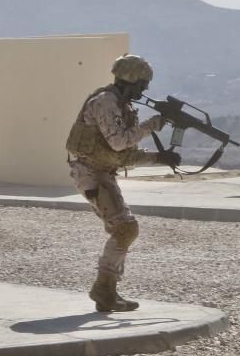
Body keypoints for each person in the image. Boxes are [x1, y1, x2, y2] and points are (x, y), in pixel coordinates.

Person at [65, 54, 180, 312]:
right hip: (90, 172)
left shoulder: (120, 106)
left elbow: (122, 154)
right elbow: (119, 142)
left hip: (102, 172)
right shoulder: (105, 102)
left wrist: (160, 158)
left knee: (125, 229)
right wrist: (154, 125)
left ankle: (106, 290)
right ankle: (104, 289)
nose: (145, 89)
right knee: (125, 229)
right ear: (129, 79)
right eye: (142, 83)